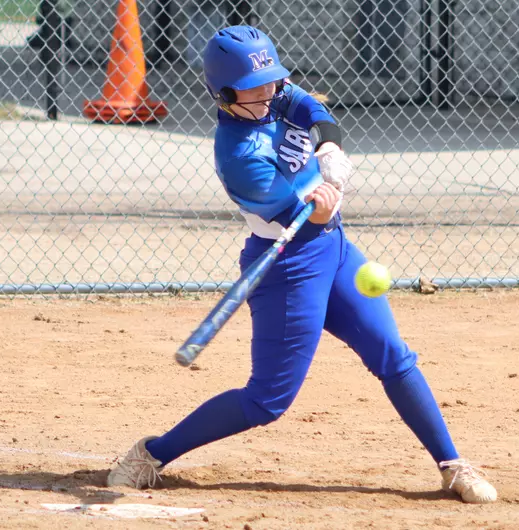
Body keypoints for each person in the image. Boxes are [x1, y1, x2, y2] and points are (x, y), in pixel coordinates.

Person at [105, 25, 497, 504]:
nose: (271, 92)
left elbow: (312, 108)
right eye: (257, 87)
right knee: (267, 401)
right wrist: (326, 200)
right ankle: (152, 453)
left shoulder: (273, 94)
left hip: (334, 250)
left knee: (393, 356)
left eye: (273, 80)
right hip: (288, 268)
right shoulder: (240, 157)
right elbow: (304, 214)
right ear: (224, 95)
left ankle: (451, 463)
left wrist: (328, 145)